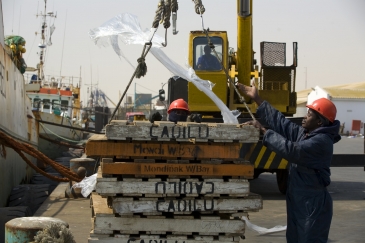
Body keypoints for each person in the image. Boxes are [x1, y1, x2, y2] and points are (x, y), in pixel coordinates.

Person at [237, 82, 341, 243]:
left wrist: (264, 131)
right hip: (298, 200)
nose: (305, 116)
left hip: (311, 204)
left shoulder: (321, 141)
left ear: (320, 122)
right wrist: (257, 99)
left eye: (309, 114)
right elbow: (282, 123)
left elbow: (292, 151)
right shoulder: (307, 134)